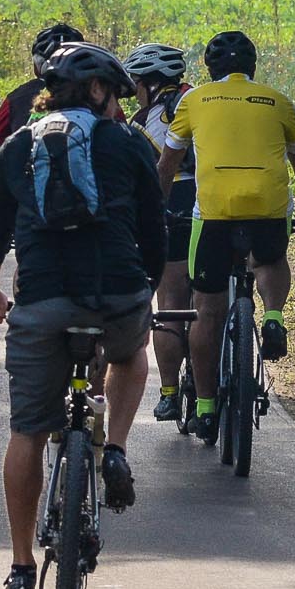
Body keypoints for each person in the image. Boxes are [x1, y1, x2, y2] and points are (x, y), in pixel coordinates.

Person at [0, 42, 166, 589]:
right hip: (118, 294)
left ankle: (20, 564)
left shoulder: (20, 144)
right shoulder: (129, 142)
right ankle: (118, 448)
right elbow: (154, 230)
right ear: (102, 92)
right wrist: (143, 290)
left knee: (27, 430)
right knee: (133, 354)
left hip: (43, 302)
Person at [154, 30, 295, 445]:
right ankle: (272, 317)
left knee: (207, 307)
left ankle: (208, 407)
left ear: (209, 70)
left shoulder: (193, 101)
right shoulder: (279, 101)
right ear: (253, 67)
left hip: (213, 213)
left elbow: (167, 164)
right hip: (268, 207)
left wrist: (156, 209)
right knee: (268, 260)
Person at [0, 22, 84, 245]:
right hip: (93, 209)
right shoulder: (103, 98)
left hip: (31, 207)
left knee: (29, 270)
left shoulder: (16, 100)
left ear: (37, 67)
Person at [125, 42, 197, 421]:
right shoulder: (201, 101)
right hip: (218, 199)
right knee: (210, 299)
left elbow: (146, 175)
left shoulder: (147, 120)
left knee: (171, 302)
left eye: (135, 83)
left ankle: (169, 393)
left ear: (149, 83)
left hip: (176, 198)